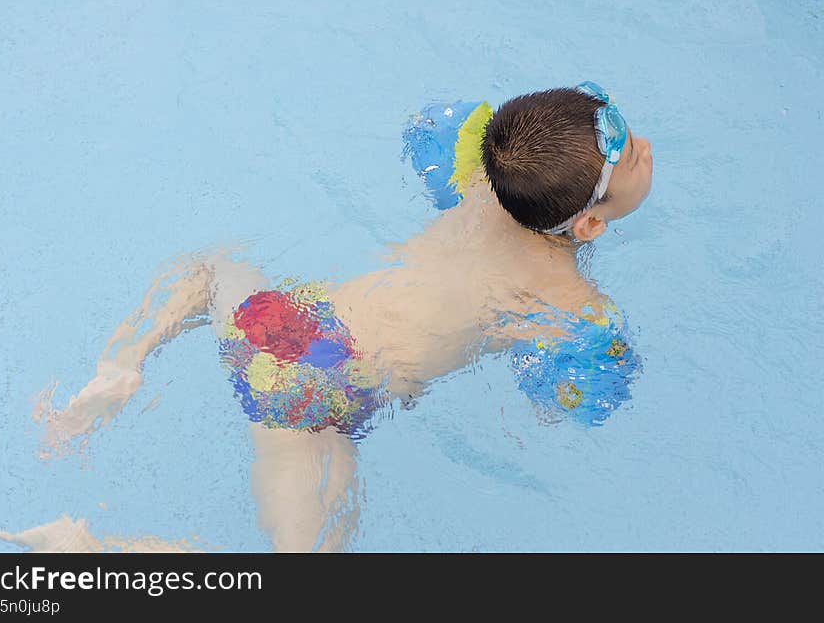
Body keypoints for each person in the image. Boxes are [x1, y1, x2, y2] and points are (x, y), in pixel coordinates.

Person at [35, 82, 653, 552]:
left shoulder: (480, 181)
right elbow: (577, 399)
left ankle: (120, 367)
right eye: (631, 160)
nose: (645, 149)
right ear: (590, 224)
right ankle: (94, 557)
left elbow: (432, 131)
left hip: (290, 320)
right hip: (326, 394)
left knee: (210, 269)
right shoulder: (568, 300)